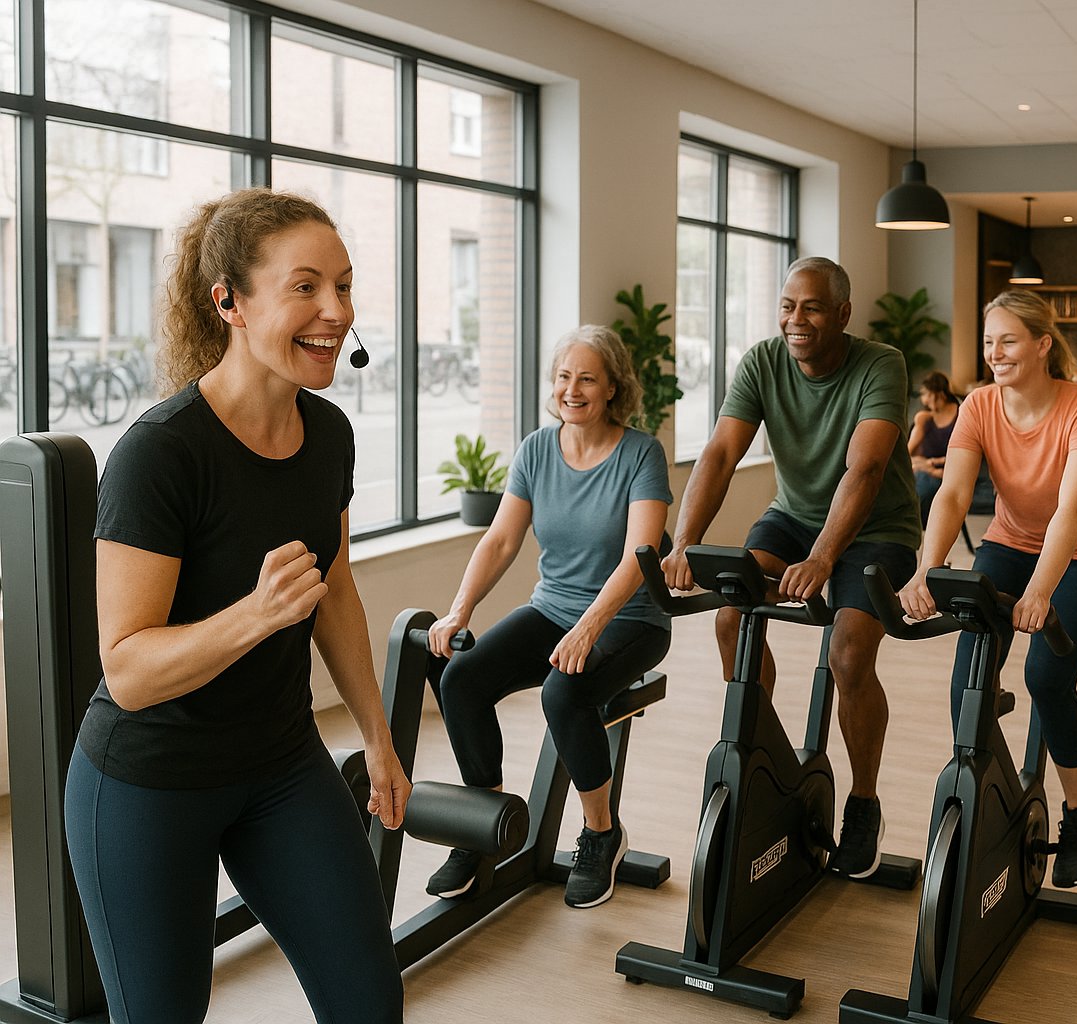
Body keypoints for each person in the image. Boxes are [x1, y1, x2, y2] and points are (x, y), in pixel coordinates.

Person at [63, 188, 408, 1024]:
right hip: (148, 782)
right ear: (230, 302)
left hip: (281, 764)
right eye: (305, 287)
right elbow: (130, 671)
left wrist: (377, 735)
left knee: (368, 1001)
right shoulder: (161, 454)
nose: (337, 310)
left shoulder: (329, 436)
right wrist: (253, 616)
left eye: (345, 285)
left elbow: (335, 595)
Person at [661, 255, 920, 878]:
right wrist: (682, 543)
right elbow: (721, 452)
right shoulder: (762, 361)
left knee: (849, 653)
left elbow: (867, 469)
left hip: (878, 527)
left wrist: (824, 558)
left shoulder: (879, 363)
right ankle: (768, 761)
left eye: (810, 307)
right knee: (732, 615)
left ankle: (862, 803)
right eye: (786, 306)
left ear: (843, 314)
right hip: (793, 515)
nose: (794, 320)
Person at [425, 325, 671, 909]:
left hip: (631, 619)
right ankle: (481, 829)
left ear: (613, 387)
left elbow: (641, 556)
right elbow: (501, 541)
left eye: (587, 378)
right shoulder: (538, 449)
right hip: (553, 606)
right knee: (461, 680)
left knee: (564, 695)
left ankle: (601, 835)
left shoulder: (641, 454)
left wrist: (589, 628)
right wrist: (461, 610)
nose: (572, 389)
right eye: (564, 376)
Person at [899, 289, 1077, 888]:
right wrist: (929, 565)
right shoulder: (978, 406)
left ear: (1042, 344)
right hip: (1009, 542)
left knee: (1047, 678)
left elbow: (1072, 510)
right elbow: (951, 494)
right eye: (987, 342)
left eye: (1008, 340)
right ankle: (988, 793)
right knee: (969, 675)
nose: (995, 353)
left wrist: (1041, 591)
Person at [908, 369, 962, 524]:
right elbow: (908, 451)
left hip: (951, 468)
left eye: (926, 394)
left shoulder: (961, 413)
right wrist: (927, 465)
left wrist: (933, 464)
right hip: (927, 466)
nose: (924, 400)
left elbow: (963, 454)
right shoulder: (924, 417)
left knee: (922, 484)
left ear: (939, 393)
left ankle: (919, 524)